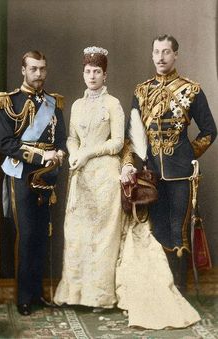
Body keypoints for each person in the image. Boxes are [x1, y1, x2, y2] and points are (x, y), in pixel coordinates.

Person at [121, 34, 217, 295]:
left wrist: (188, 154)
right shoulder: (141, 91)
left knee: (178, 230)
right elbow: (132, 137)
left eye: (166, 52)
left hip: (180, 175)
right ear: (152, 55)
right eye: (156, 52)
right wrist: (128, 165)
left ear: (176, 55)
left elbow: (209, 131)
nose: (161, 57)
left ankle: (179, 291)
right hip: (150, 175)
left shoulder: (191, 90)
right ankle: (159, 291)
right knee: (156, 228)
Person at [0, 50, 67, 316]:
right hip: (21, 174)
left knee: (42, 236)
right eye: (33, 69)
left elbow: (61, 140)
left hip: (47, 175)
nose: (39, 74)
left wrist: (59, 154)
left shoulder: (54, 103)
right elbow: (5, 143)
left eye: (42, 69)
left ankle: (38, 293)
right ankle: (24, 297)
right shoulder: (7, 103)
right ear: (23, 70)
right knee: (26, 236)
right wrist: (39, 155)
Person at [54, 46, 125, 310]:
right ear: (83, 73)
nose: (92, 76)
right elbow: (72, 137)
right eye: (88, 71)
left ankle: (101, 297)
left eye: (97, 71)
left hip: (106, 174)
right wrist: (74, 153)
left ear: (105, 75)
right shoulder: (78, 105)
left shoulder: (113, 104)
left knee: (103, 235)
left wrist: (87, 153)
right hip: (81, 175)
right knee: (76, 234)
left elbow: (117, 142)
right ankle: (75, 295)